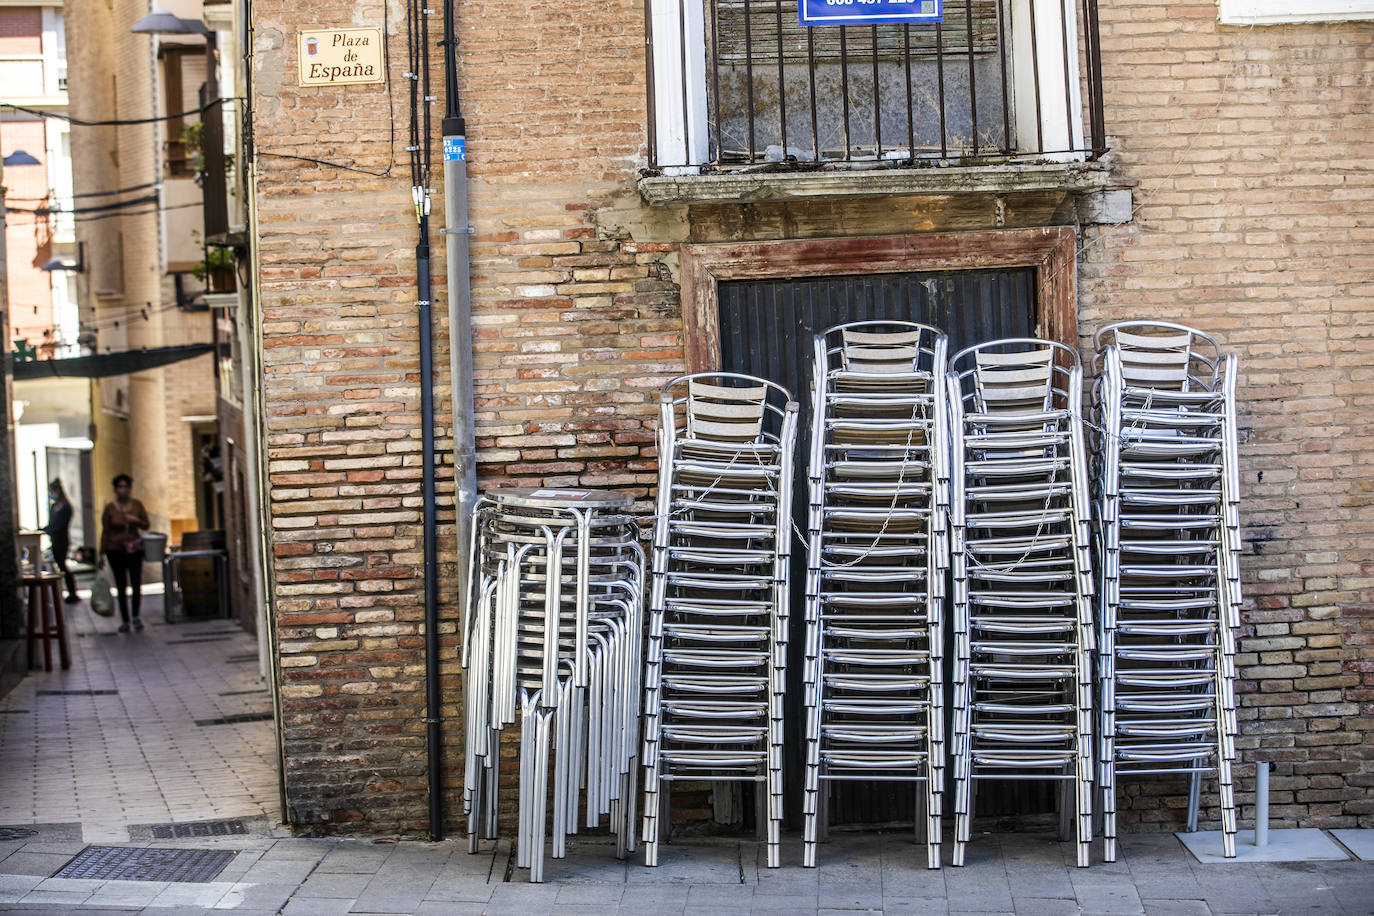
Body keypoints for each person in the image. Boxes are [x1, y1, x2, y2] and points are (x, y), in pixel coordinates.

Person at [99, 473, 150, 632]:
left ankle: (136, 616)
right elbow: (105, 531)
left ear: (130, 488)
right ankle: (125, 620)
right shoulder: (110, 508)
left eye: (125, 486)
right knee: (121, 586)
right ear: (115, 489)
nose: (122, 490)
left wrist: (136, 521)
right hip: (115, 550)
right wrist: (101, 553)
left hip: (134, 550)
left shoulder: (137, 505)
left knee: (136, 584)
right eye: (119, 486)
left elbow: (146, 525)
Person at [41, 479, 80, 603]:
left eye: (52, 491)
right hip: (55, 539)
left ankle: (72, 592)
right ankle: (67, 592)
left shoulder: (66, 507)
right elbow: (51, 524)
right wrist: (43, 530)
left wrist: (49, 530)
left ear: (57, 491)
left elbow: (60, 525)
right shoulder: (54, 506)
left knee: (62, 566)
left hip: (61, 540)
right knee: (60, 565)